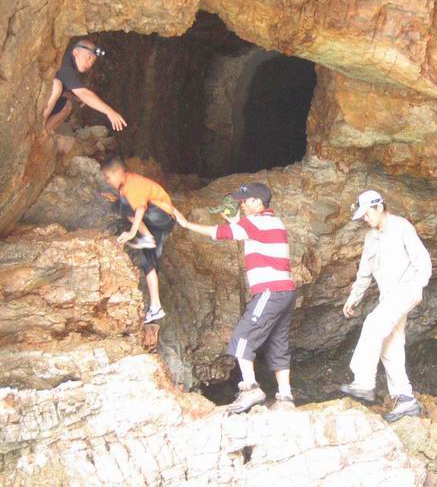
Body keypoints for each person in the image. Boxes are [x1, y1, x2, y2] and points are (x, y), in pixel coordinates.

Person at [173, 183, 297, 413]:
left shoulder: (256, 222)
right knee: (278, 342)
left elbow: (221, 233)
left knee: (242, 337)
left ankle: (251, 388)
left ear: (257, 202)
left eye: (245, 201)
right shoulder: (272, 221)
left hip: (270, 290)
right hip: (285, 291)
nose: (241, 204)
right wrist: (237, 222)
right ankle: (285, 397)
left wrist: (186, 224)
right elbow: (246, 233)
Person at [340, 190, 432, 422]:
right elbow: (364, 273)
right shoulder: (371, 237)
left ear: (379, 207)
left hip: (406, 289)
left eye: (367, 213)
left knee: (373, 325)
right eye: (362, 215)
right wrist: (353, 299)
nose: (365, 218)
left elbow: (422, 259)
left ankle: (363, 381)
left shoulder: (401, 227)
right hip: (388, 297)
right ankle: (405, 398)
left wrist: (418, 286)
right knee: (390, 345)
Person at [100, 154, 174, 324]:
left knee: (123, 205)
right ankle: (156, 307)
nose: (107, 181)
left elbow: (139, 208)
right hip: (158, 223)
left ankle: (146, 237)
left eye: (108, 177)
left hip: (162, 215)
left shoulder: (131, 183)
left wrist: (133, 232)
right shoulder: (127, 187)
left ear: (118, 172)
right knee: (148, 262)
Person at [43, 39, 127, 137]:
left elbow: (61, 91)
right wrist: (110, 112)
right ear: (76, 52)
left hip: (43, 97)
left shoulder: (72, 67)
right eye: (89, 57)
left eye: (93, 61)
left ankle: (42, 134)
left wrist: (73, 97)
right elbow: (83, 93)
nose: (90, 63)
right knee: (56, 86)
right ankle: (36, 127)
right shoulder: (64, 62)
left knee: (67, 105)